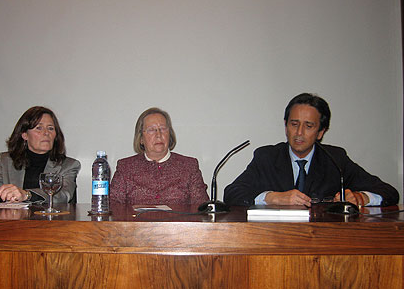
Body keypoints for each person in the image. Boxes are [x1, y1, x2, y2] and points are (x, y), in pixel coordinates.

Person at [224, 93, 399, 207]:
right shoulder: (267, 157)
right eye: (294, 124)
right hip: (275, 242)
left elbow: (390, 192)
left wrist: (362, 198)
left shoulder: (335, 159)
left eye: (308, 126)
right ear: (286, 126)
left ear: (321, 132)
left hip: (323, 245)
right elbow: (232, 193)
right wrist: (272, 197)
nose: (299, 133)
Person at [0, 106, 80, 203]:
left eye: (51, 128)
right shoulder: (6, 160)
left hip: (49, 222)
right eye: (39, 128)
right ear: (24, 135)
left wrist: (26, 195)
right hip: (13, 221)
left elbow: (63, 195)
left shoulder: (68, 165)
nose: (46, 133)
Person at [110, 107, 209, 206]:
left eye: (162, 129)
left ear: (169, 134)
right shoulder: (126, 167)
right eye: (151, 130)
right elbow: (112, 205)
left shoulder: (189, 166)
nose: (158, 135)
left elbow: (202, 207)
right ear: (141, 139)